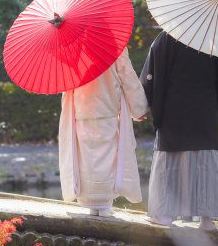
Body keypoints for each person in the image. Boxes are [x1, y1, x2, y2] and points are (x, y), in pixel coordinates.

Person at [139, 31, 218, 230]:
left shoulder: (166, 37)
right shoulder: (216, 37)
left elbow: (151, 75)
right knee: (204, 161)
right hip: (203, 109)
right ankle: (207, 220)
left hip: (173, 107)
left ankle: (165, 215)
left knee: (169, 162)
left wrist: (140, 106)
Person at [58, 47, 149, 216]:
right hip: (106, 108)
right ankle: (104, 205)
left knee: (85, 158)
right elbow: (128, 77)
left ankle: (91, 204)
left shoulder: (74, 48)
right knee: (106, 157)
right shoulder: (115, 47)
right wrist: (139, 107)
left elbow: (65, 77)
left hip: (82, 108)